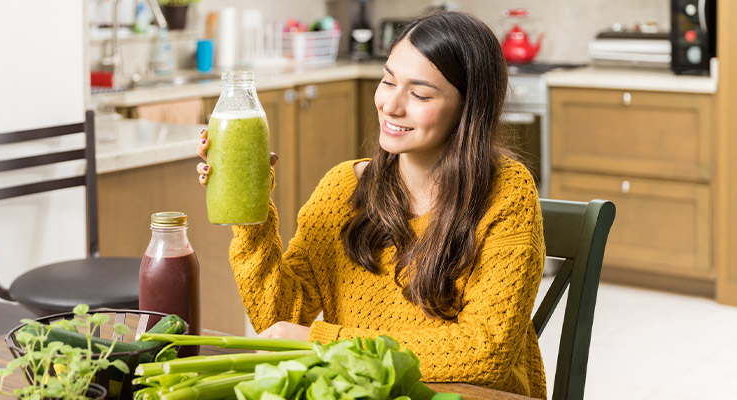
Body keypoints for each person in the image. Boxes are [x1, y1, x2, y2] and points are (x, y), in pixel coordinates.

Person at [196, 11, 546, 398]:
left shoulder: (508, 192)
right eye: (387, 80)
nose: (391, 105)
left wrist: (323, 342)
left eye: (419, 94)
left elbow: (486, 352)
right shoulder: (342, 189)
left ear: (469, 108)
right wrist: (250, 206)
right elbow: (281, 319)